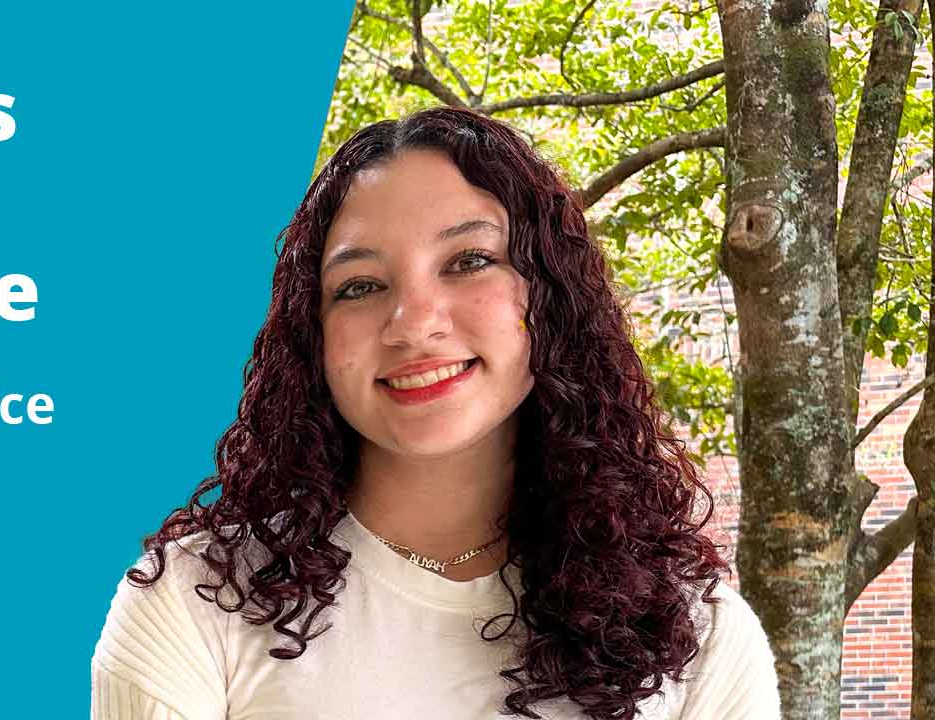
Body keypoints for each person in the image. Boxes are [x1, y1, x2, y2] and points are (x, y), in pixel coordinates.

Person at [90, 107, 781, 719]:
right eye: (359, 285)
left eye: (469, 260)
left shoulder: (697, 634)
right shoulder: (197, 602)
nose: (413, 323)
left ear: (551, 302)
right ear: (313, 339)